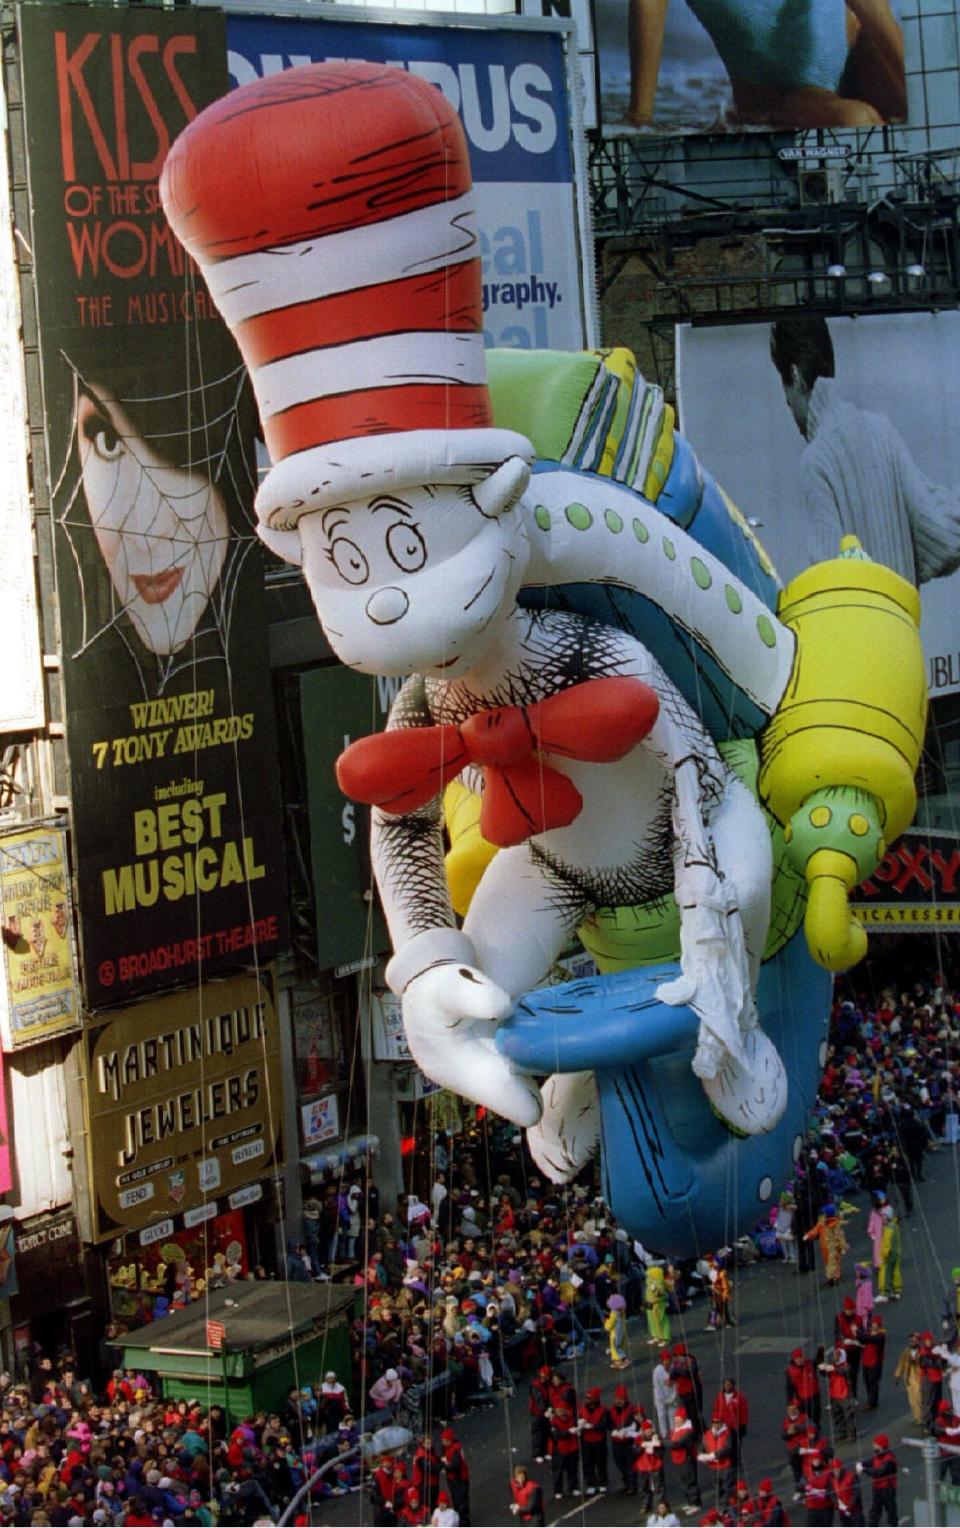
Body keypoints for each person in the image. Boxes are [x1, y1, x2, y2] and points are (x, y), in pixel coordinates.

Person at [770, 314, 960, 586]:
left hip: (860, 627)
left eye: (786, 392)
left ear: (796, 377)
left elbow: (831, 578)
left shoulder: (816, 460)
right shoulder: (882, 430)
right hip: (904, 625)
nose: (789, 405)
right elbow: (941, 536)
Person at [622, 0, 906, 130]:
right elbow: (648, 5)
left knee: (914, 106)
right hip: (781, 92)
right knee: (856, 119)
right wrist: (640, 114)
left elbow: (875, 13)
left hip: (859, 51)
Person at [667, 1404, 701, 1516]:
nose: (676, 1422)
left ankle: (696, 1504)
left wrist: (663, 1442)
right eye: (675, 1419)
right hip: (678, 1460)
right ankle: (689, 1502)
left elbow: (677, 1444)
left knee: (690, 1481)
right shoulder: (675, 1430)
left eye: (678, 1420)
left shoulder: (688, 1431)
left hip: (687, 1459)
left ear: (683, 1419)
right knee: (683, 1481)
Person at [856, 1433, 898, 1526]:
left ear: (881, 1445)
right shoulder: (878, 1456)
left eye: (875, 1444)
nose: (873, 1446)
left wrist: (864, 1469)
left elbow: (879, 1472)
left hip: (887, 1489)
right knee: (875, 1510)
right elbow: (870, 1462)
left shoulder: (889, 1460)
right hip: (877, 1488)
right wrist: (861, 1464)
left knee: (890, 1510)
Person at [819, 1343, 857, 1443]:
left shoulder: (846, 1366)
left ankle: (851, 1434)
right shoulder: (832, 1365)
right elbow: (824, 1373)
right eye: (835, 1355)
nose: (835, 1357)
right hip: (834, 1394)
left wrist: (833, 1369)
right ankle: (842, 1432)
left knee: (848, 1415)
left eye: (837, 1355)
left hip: (845, 1394)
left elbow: (844, 1371)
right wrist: (822, 1368)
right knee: (837, 1415)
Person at [610, 1382, 641, 1494]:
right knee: (620, 1463)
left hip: (628, 1441)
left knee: (630, 1463)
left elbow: (633, 1423)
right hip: (616, 1442)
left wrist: (624, 1431)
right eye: (617, 1398)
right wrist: (613, 1430)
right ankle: (626, 1483)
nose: (619, 1401)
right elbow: (610, 1423)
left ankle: (632, 1485)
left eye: (621, 1398)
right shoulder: (612, 1410)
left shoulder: (631, 1409)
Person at [578, 1386, 609, 1495]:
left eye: (590, 1398)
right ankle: (591, 1483)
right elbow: (578, 1419)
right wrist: (580, 1424)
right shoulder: (582, 1409)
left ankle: (602, 1483)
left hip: (599, 1440)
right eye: (587, 1397)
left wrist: (593, 1426)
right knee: (587, 1463)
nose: (588, 1400)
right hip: (586, 1440)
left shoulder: (603, 1410)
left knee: (601, 1462)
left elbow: (605, 1424)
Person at [440, 1427, 470, 1525]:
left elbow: (455, 1465)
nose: (443, 1443)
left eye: (445, 1441)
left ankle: (464, 1523)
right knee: (457, 1501)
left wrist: (445, 1465)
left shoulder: (455, 1449)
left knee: (461, 1502)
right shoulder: (451, 1447)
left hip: (459, 1479)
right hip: (454, 1479)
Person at [893, 1332, 923, 1424]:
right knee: (912, 1399)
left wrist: (917, 1361)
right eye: (911, 1340)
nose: (912, 1342)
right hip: (909, 1378)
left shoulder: (922, 1352)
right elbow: (901, 1364)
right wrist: (897, 1376)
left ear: (918, 1341)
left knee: (919, 1398)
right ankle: (917, 1417)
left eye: (914, 1340)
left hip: (919, 1377)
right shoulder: (906, 1352)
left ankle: (922, 1417)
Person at [862, 1314, 886, 1412]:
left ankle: (871, 1402)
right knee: (867, 1381)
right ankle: (871, 1399)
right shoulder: (869, 1333)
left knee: (873, 1382)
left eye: (876, 1324)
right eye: (873, 1324)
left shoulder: (880, 1336)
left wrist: (858, 1332)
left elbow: (867, 1338)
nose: (873, 1326)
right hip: (865, 1361)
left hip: (875, 1362)